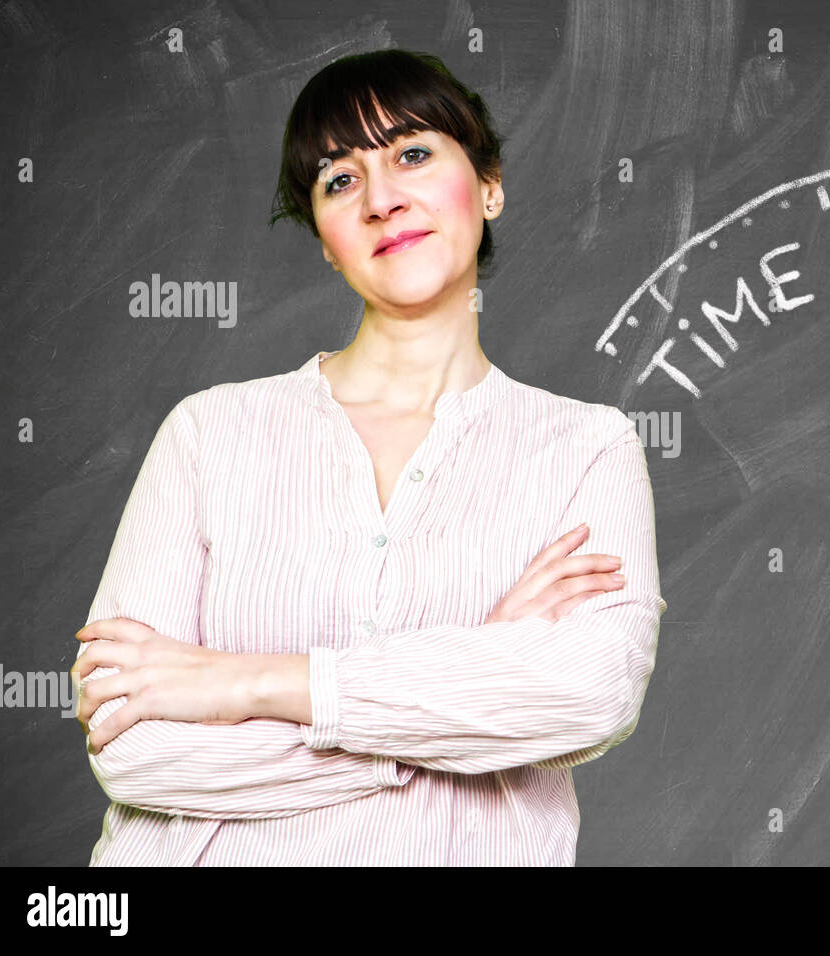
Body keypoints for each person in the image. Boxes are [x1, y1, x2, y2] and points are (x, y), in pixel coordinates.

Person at [72, 49, 667, 865]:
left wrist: (248, 683)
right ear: (323, 237)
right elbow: (131, 745)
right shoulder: (208, 434)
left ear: (489, 184)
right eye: (340, 180)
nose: (383, 199)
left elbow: (589, 696)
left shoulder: (587, 449)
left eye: (413, 154)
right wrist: (469, 680)